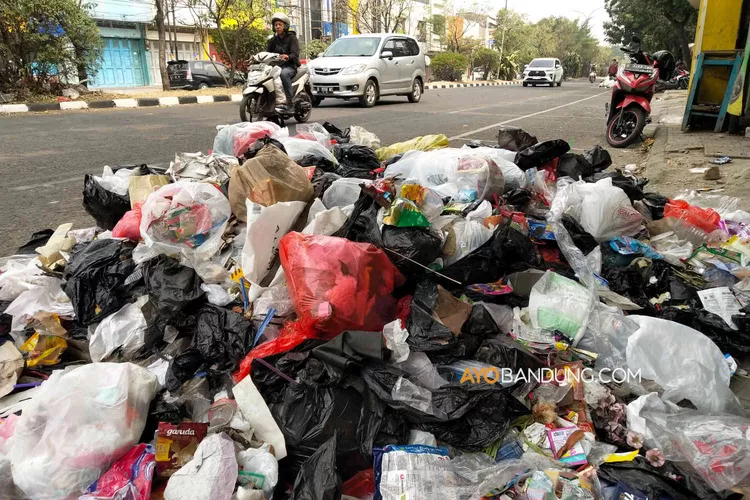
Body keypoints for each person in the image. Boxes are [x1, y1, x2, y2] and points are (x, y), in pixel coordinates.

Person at [267, 12, 300, 112]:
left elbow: (295, 53)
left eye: (280, 24)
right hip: (277, 66)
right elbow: (267, 53)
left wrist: (288, 56)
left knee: (284, 74)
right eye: (275, 25)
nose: (277, 27)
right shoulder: (273, 40)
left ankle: (290, 102)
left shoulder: (292, 38)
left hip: (290, 66)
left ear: (285, 26)